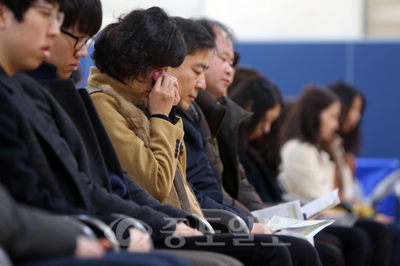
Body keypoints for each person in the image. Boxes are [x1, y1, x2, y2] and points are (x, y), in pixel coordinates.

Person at [0, 1, 193, 266]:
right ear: (130, 64)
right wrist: (161, 117)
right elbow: (154, 184)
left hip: (109, 223)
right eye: (47, 16)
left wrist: (183, 219)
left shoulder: (66, 93)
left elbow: (180, 185)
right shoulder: (100, 102)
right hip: (91, 226)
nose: (53, 31)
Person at [279, 85, 392, 266]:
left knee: (379, 231)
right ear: (315, 115)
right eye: (332, 117)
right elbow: (320, 200)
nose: (336, 125)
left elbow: (339, 196)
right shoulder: (298, 150)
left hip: (329, 215)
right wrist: (357, 213)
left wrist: (357, 210)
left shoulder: (327, 147)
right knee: (363, 236)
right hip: (313, 218)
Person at [192, 18, 267, 212]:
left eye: (232, 63)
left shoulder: (225, 114)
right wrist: (252, 221)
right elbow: (208, 190)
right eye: (223, 59)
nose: (229, 70)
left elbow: (241, 184)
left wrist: (263, 218)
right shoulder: (187, 111)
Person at [329, 81, 400, 266]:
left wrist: (366, 213)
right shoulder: (325, 149)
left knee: (390, 229)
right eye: (353, 108)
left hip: (346, 211)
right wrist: (366, 216)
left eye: (359, 110)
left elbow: (349, 197)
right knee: (376, 233)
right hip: (332, 213)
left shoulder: (345, 153)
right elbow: (335, 197)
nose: (356, 116)